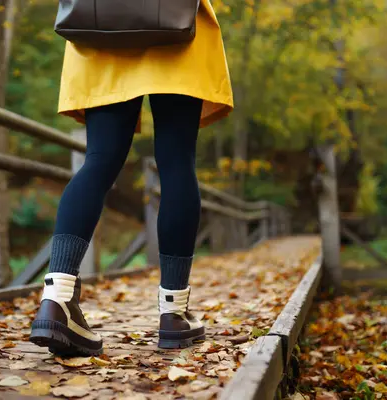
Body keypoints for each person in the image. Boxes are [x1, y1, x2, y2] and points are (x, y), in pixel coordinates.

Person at [30, 0, 234, 356]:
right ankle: (174, 311)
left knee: (98, 160)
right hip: (177, 24)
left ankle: (57, 299)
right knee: (176, 163)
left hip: (101, 25)